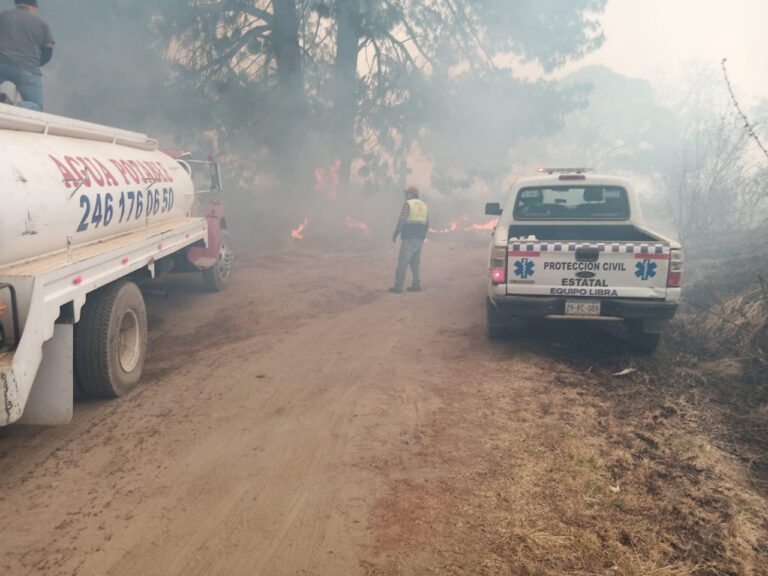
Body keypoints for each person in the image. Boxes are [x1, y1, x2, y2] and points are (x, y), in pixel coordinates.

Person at [0, 0, 54, 111]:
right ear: (33, 7)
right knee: (36, 106)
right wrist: (35, 64)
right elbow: (48, 52)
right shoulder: (43, 25)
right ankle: (11, 106)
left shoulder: (3, 16)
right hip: (27, 69)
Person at [390, 186, 429, 293]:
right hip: (420, 238)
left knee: (402, 262)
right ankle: (416, 285)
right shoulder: (424, 205)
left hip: (409, 237)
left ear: (412, 194)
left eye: (407, 193)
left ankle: (398, 287)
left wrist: (396, 233)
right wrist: (421, 235)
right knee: (415, 263)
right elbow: (427, 224)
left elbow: (402, 220)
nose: (405, 196)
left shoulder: (408, 204)